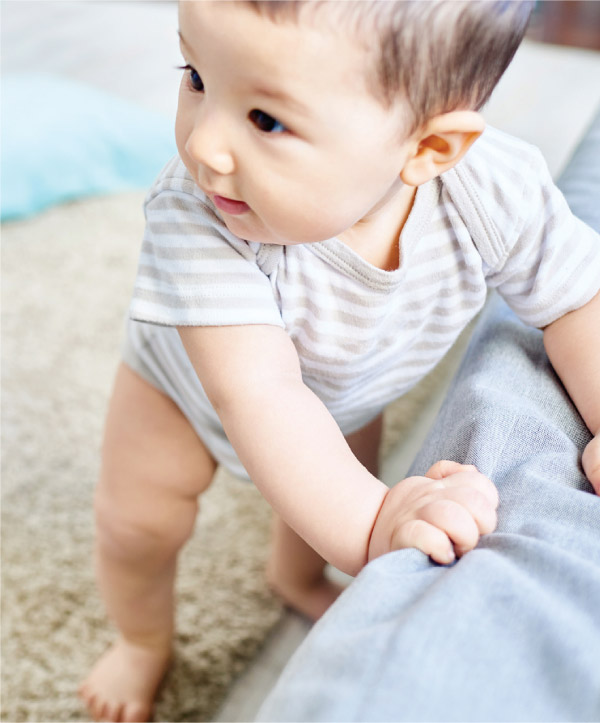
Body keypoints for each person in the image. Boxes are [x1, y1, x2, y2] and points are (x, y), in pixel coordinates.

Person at [78, 2, 600, 721]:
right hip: (184, 393)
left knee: (322, 486)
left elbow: (579, 300)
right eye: (196, 75)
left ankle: (293, 576)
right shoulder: (195, 215)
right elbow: (260, 394)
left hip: (352, 390)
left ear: (429, 149)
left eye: (266, 119)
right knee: (139, 523)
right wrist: (373, 520)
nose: (204, 145)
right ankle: (141, 639)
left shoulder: (493, 188)